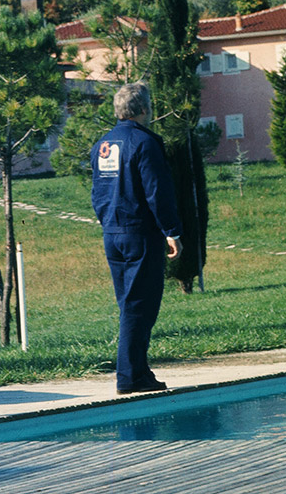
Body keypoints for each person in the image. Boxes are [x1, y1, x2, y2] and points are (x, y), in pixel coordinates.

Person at [90, 82, 183, 395]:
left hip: (112, 232)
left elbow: (98, 193)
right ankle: (130, 376)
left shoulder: (102, 144)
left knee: (129, 305)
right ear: (143, 108)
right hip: (139, 233)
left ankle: (138, 371)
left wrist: (108, 221)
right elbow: (157, 191)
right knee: (140, 305)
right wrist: (171, 231)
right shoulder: (144, 142)